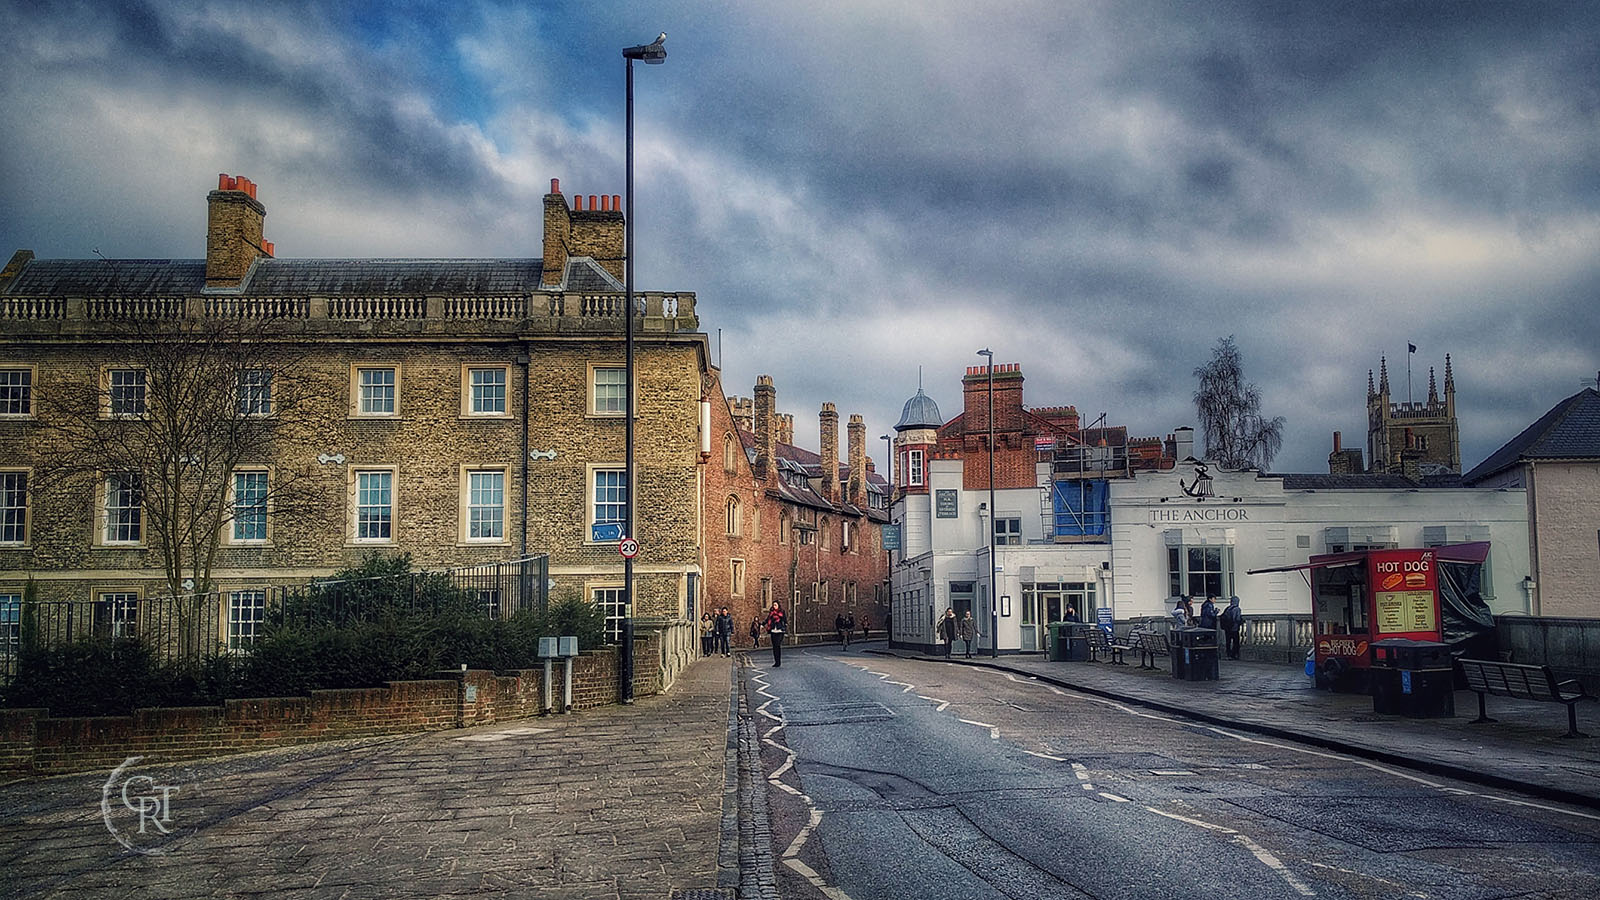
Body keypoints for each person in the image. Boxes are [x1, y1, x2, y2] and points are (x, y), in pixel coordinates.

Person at [765, 601, 788, 667]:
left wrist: (785, 626)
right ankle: (776, 662)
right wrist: (762, 624)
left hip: (780, 631)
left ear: (778, 605)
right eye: (773, 605)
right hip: (773, 631)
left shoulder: (781, 612)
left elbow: (784, 620)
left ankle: (778, 661)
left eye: (775, 605)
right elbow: (767, 619)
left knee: (778, 645)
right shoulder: (771, 613)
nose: (774, 606)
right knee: (774, 647)